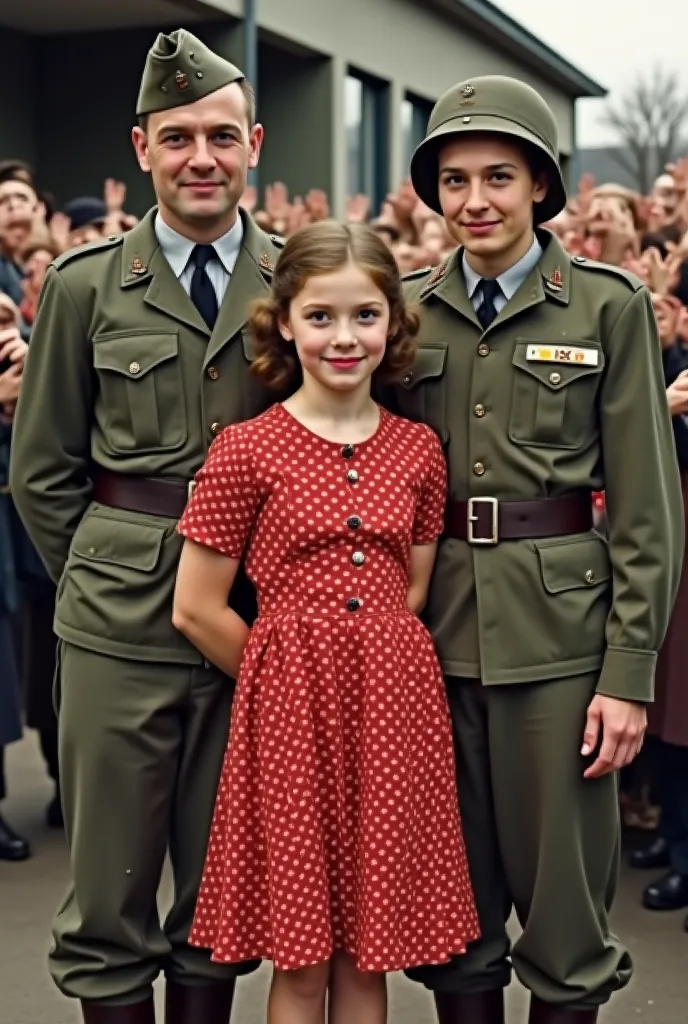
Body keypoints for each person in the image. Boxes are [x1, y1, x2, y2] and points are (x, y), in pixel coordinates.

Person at [380, 76, 684, 1024]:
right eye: (456, 179)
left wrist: (628, 676)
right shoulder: (402, 311)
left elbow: (645, 508)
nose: (475, 200)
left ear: (543, 187)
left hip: (562, 647)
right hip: (433, 641)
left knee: (566, 930)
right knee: (456, 925)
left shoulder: (605, 307)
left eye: (499, 176)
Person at [10, 27, 284, 1024]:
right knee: (109, 902)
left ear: (254, 144)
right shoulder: (85, 286)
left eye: (220, 135)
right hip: (117, 627)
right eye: (177, 139)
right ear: (141, 149)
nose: (200, 158)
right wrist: (99, 576)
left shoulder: (298, 281)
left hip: (252, 627)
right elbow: (42, 470)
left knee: (218, 896)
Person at [172, 220, 480, 1024]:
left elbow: (410, 588)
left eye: (365, 316)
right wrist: (286, 675)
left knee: (365, 954)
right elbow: (197, 606)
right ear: (284, 322)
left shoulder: (417, 448)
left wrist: (361, 666)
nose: (344, 337)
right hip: (288, 714)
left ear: (394, 324)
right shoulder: (246, 450)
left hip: (391, 710)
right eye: (321, 317)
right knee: (303, 956)